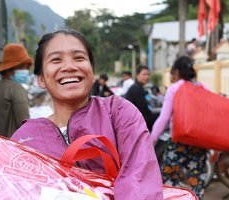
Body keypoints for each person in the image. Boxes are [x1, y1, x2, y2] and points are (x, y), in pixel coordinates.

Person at [11, 29, 163, 199]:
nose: (69, 66)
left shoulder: (118, 113)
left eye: (79, 58)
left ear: (92, 71)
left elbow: (140, 181)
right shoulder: (23, 139)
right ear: (41, 79)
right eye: (56, 59)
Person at [151, 56, 207, 199]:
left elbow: (164, 118)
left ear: (176, 72)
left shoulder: (174, 89)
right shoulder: (203, 87)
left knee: (169, 179)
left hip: (178, 142)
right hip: (199, 142)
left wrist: (151, 140)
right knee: (197, 180)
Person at [0, 43, 32, 137]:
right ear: (9, 69)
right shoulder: (17, 89)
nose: (26, 71)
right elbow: (24, 126)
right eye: (22, 67)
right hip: (11, 149)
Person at [124, 66, 157, 131]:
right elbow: (143, 110)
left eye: (148, 75)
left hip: (137, 119)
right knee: (161, 116)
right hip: (135, 122)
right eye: (144, 74)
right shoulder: (136, 89)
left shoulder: (138, 87)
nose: (147, 77)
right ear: (137, 76)